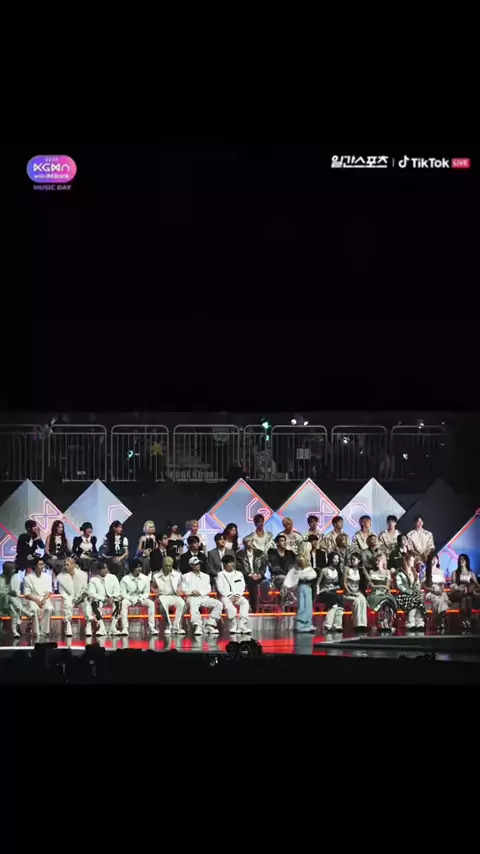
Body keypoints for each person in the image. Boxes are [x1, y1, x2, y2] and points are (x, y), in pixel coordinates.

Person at [181, 556, 222, 636]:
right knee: (193, 603)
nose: (198, 565)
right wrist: (192, 592)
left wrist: (199, 592)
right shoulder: (185, 576)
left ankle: (209, 624)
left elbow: (208, 589)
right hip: (192, 597)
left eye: (199, 564)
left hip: (204, 597)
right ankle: (198, 626)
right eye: (196, 564)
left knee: (219, 604)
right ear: (191, 565)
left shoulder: (206, 576)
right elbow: (183, 589)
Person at [120, 558, 159, 637]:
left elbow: (146, 593)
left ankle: (151, 627)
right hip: (130, 599)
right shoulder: (125, 579)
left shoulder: (145, 579)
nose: (140, 569)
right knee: (124, 603)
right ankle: (125, 628)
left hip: (141, 598)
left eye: (140, 567)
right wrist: (132, 599)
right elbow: (123, 593)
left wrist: (140, 599)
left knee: (151, 603)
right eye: (137, 567)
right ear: (132, 568)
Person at [216, 554, 251, 634]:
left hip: (237, 595)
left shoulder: (239, 574)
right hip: (226, 596)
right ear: (225, 564)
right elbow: (220, 588)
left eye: (232, 562)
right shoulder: (220, 574)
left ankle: (242, 625)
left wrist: (237, 595)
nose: (232, 564)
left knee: (245, 602)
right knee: (229, 606)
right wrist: (229, 595)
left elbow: (242, 586)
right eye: (229, 562)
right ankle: (233, 625)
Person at [87, 559, 122, 637]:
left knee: (119, 602)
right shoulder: (93, 580)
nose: (106, 570)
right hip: (101, 600)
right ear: (98, 570)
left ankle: (113, 627)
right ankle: (102, 627)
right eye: (103, 568)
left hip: (112, 599)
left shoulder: (113, 577)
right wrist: (103, 599)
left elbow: (117, 590)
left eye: (106, 568)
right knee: (94, 603)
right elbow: (91, 593)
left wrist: (112, 597)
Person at [56, 556, 90, 637]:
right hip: (70, 598)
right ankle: (68, 626)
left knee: (87, 604)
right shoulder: (61, 577)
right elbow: (62, 592)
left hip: (80, 598)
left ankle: (88, 626)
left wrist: (79, 598)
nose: (65, 567)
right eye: (65, 565)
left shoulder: (83, 575)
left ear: (73, 565)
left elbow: (85, 588)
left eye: (67, 565)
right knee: (67, 603)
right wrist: (70, 599)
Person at [283, 553, 317, 633]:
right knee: (302, 606)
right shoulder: (295, 570)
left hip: (308, 587)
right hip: (301, 587)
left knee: (308, 606)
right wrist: (301, 576)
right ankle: (300, 625)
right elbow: (290, 580)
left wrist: (305, 575)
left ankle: (308, 624)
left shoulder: (308, 569)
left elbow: (313, 575)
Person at [394, 553, 426, 632]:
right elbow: (399, 586)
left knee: (419, 602)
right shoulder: (400, 573)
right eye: (411, 560)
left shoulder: (414, 573)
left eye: (413, 560)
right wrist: (409, 591)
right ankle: (410, 622)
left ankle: (419, 623)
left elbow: (418, 584)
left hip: (414, 594)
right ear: (407, 561)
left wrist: (416, 590)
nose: (413, 562)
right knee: (414, 601)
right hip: (403, 595)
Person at [153, 556, 186, 634]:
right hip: (163, 595)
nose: (168, 567)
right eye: (166, 566)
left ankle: (176, 626)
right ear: (163, 565)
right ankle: (168, 626)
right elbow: (152, 587)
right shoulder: (156, 576)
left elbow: (180, 585)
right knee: (163, 606)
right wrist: (155, 591)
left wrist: (179, 589)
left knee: (182, 604)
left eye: (170, 566)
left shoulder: (177, 574)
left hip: (174, 595)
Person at [236, 535, 267, 613]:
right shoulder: (239, 554)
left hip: (259, 575)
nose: (249, 543)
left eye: (251, 541)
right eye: (247, 542)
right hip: (247, 576)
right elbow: (239, 568)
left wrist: (260, 574)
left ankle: (264, 605)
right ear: (244, 544)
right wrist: (249, 574)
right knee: (253, 584)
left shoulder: (260, 553)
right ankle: (254, 607)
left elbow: (263, 566)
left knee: (265, 583)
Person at [449, 554, 480, 634]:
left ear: (466, 561)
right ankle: (464, 621)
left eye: (463, 559)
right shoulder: (455, 572)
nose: (461, 561)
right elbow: (453, 584)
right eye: (460, 559)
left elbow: (476, 584)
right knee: (464, 598)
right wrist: (461, 588)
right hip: (459, 592)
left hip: (468, 592)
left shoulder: (470, 573)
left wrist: (470, 587)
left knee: (467, 598)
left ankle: (467, 621)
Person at [366, 554, 397, 633]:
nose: (376, 562)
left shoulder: (387, 572)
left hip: (385, 593)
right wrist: (381, 586)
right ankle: (380, 623)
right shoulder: (372, 572)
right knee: (383, 600)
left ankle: (387, 623)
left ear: (383, 562)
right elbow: (371, 586)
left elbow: (387, 586)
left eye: (378, 561)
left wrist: (379, 587)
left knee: (387, 601)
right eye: (376, 560)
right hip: (374, 594)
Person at [23, 557, 53, 637]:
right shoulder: (27, 578)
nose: (42, 566)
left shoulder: (48, 577)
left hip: (44, 599)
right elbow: (27, 593)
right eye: (40, 565)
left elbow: (49, 591)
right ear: (35, 566)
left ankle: (44, 631)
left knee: (49, 608)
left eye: (43, 564)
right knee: (34, 609)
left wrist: (44, 599)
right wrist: (36, 600)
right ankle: (36, 632)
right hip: (33, 599)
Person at [423, 552, 450, 633]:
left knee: (442, 598)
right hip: (430, 592)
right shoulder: (426, 572)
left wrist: (440, 590)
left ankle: (440, 621)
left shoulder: (441, 571)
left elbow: (442, 585)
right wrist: (432, 590)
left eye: (436, 558)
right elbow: (423, 585)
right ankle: (440, 621)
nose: (434, 560)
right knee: (438, 601)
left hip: (439, 592)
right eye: (432, 559)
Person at [317, 552, 344, 633]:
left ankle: (337, 625)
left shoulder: (337, 571)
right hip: (324, 592)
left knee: (340, 603)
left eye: (338, 559)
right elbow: (318, 583)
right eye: (335, 559)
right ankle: (327, 624)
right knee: (335, 602)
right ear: (330, 559)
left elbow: (339, 584)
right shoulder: (324, 570)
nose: (336, 561)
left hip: (334, 592)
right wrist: (317, 593)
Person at [0, 562, 28, 638]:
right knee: (9, 597)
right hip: (1, 603)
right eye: (12, 569)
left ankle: (14, 631)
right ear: (7, 570)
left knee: (14, 613)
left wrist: (13, 594)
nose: (14, 570)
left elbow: (17, 593)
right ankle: (25, 612)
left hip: (10, 604)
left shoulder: (15, 578)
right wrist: (8, 593)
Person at [343, 551, 369, 634]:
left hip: (357, 592)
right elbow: (344, 583)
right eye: (351, 559)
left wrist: (363, 568)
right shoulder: (347, 569)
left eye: (354, 559)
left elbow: (369, 579)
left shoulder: (359, 570)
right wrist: (350, 592)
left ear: (359, 560)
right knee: (357, 601)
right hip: (348, 593)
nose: (352, 561)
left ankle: (363, 625)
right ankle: (357, 625)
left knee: (363, 600)